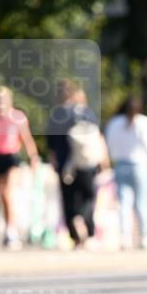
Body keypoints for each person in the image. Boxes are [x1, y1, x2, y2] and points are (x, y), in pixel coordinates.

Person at [0, 86, 39, 248]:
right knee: (1, 194)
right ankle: (6, 228)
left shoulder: (17, 117)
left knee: (8, 192)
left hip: (12, 157)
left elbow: (26, 139)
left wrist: (33, 157)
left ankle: (11, 230)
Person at [105, 94, 147, 249]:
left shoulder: (115, 123)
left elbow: (110, 146)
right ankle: (146, 236)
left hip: (121, 164)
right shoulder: (144, 123)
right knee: (142, 202)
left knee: (124, 203)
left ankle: (125, 237)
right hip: (139, 164)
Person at [62, 89, 109, 247]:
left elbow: (53, 142)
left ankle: (75, 226)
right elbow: (98, 138)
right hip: (88, 163)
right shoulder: (90, 114)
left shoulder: (61, 116)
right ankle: (85, 226)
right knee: (88, 197)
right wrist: (104, 159)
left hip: (68, 164)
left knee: (70, 199)